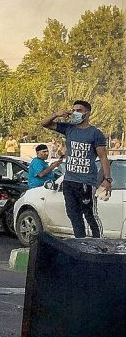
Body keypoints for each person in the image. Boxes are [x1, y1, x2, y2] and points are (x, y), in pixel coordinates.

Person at [41, 100, 113, 239]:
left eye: (79, 110)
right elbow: (44, 123)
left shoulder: (95, 133)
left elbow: (103, 158)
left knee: (90, 214)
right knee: (73, 214)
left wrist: (107, 179)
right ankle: (80, 241)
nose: (75, 113)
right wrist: (57, 114)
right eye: (73, 110)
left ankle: (98, 243)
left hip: (86, 182)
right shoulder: (69, 128)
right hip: (69, 181)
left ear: (87, 113)